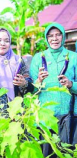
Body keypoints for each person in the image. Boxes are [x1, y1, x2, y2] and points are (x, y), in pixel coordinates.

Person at [30, 23, 77, 157]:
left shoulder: (73, 57)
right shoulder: (38, 58)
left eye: (58, 35)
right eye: (50, 36)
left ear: (63, 36)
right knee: (47, 153)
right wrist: (38, 81)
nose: (54, 38)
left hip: (69, 116)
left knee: (67, 152)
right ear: (46, 38)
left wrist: (70, 84)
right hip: (45, 117)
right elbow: (31, 91)